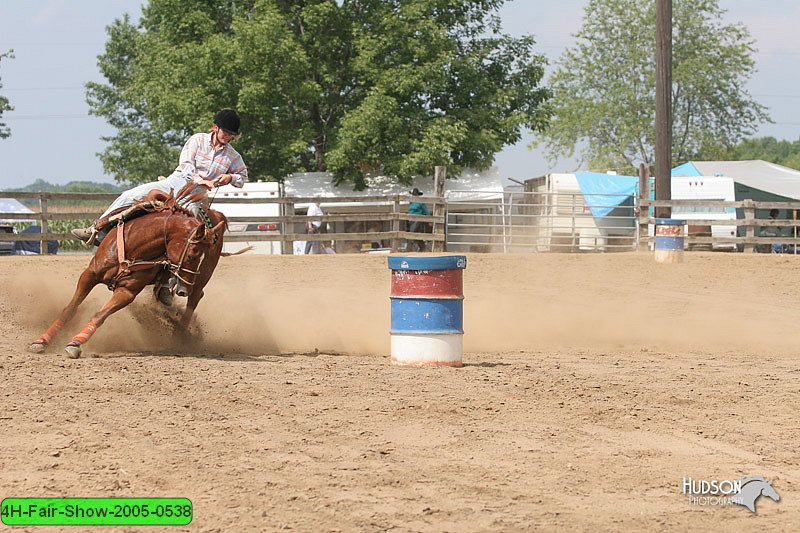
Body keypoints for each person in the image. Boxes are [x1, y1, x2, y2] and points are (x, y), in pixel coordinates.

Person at [71, 109, 248, 245]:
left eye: (231, 134)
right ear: (216, 128)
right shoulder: (197, 140)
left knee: (191, 230)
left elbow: (242, 176)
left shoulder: (232, 156)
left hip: (196, 196)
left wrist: (230, 178)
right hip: (176, 182)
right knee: (129, 195)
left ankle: (175, 276)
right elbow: (186, 164)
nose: (228, 136)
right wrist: (201, 180)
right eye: (225, 131)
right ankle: (96, 230)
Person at [408, 187, 431, 252]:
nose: (414, 196)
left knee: (413, 232)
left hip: (418, 219)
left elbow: (426, 211)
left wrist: (429, 219)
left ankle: (421, 247)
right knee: (414, 234)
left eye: (415, 194)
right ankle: (422, 247)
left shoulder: (421, 202)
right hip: (411, 219)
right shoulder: (411, 202)